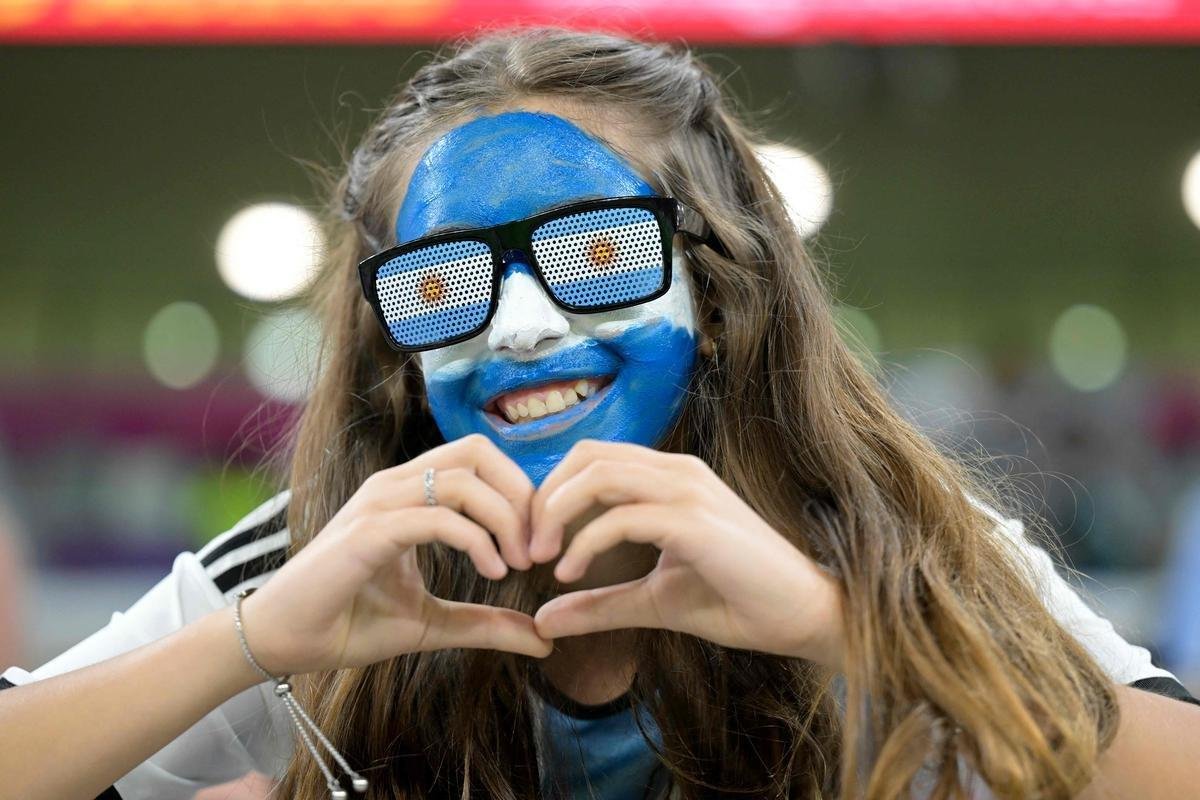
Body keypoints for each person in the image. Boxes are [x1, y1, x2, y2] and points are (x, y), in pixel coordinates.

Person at [2, 27, 1198, 800]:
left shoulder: (890, 550)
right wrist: (250, 643)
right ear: (396, 352)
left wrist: (854, 631)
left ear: (721, 295)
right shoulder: (321, 569)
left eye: (594, 252)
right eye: (443, 282)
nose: (520, 328)